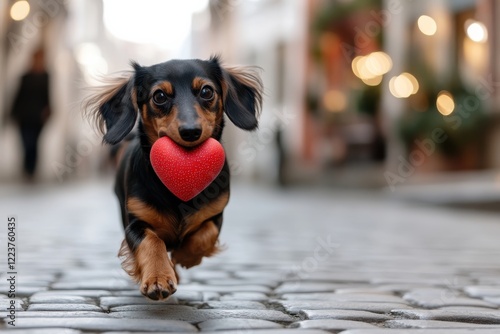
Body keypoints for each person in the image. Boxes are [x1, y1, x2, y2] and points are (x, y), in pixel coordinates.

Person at [10, 48, 51, 181]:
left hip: (38, 117)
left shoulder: (46, 76)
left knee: (34, 143)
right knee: (26, 142)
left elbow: (48, 96)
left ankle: (31, 170)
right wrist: (13, 113)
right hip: (24, 115)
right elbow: (18, 95)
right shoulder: (25, 76)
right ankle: (27, 168)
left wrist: (48, 110)